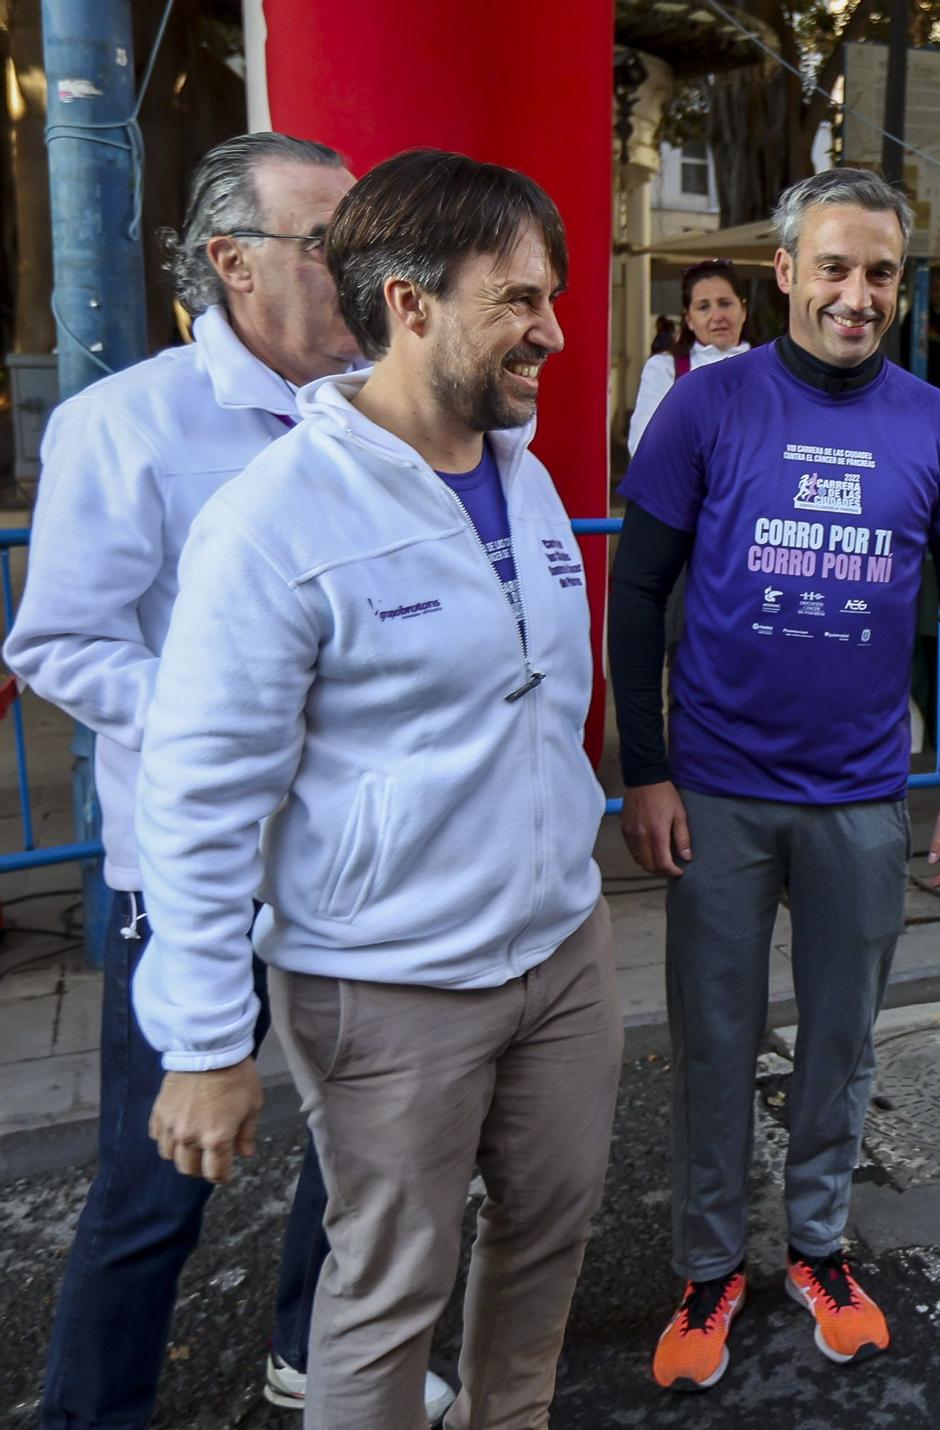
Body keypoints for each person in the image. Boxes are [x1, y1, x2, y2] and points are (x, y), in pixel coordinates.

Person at [133, 148, 619, 1429]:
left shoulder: (525, 476)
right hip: (386, 980)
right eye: (518, 298)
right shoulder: (274, 517)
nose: (553, 331)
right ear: (409, 302)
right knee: (389, 1288)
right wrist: (201, 1039)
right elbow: (198, 792)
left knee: (548, 1236)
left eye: (552, 296)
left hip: (561, 946)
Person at [3, 132, 455, 1426]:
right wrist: (230, 712)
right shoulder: (125, 424)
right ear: (232, 264)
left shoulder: (383, 407)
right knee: (157, 1188)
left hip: (366, 870)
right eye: (331, 246)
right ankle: (94, 1408)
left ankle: (321, 1343)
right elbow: (57, 642)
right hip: (197, 882)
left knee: (366, 1149)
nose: (363, 273)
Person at [610, 167, 940, 1392]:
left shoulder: (938, 425)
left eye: (879, 271)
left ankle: (820, 1247)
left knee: (840, 1042)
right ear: (784, 271)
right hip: (719, 791)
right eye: (832, 266)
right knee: (715, 1041)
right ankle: (709, 1262)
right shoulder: (704, 408)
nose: (856, 293)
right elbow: (635, 590)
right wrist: (648, 769)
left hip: (859, 798)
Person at [627, 257, 753, 456]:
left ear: (743, 310)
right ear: (689, 320)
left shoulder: (772, 367)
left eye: (725, 303)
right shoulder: (665, 368)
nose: (717, 316)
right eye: (703, 307)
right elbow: (644, 447)